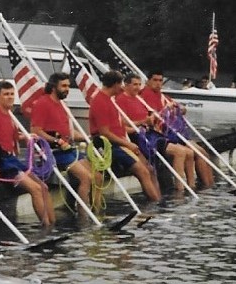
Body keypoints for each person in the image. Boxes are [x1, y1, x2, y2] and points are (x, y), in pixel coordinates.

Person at [0, 79, 57, 229]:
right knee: (35, 189)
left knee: (43, 187)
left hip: (11, 159)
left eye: (11, 94)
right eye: (5, 94)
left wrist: (26, 136)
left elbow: (10, 136)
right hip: (0, 161)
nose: (10, 97)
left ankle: (53, 225)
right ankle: (46, 228)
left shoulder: (9, 115)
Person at [86, 68, 160, 203]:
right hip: (108, 145)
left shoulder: (109, 100)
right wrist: (128, 144)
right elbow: (105, 133)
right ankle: (154, 203)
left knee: (149, 169)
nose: (121, 87)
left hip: (121, 141)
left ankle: (157, 200)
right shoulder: (100, 102)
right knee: (143, 172)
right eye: (120, 84)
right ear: (115, 84)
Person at [23, 69, 91, 207]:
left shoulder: (62, 105)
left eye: (68, 86)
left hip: (69, 150)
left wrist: (87, 137)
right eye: (64, 86)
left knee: (97, 176)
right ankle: (85, 216)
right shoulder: (42, 103)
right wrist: (56, 140)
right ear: (54, 87)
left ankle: (96, 209)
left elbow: (70, 133)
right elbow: (36, 131)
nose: (67, 89)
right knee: (86, 177)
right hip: (54, 153)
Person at [123, 71, 198, 195]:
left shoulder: (138, 99)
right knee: (180, 152)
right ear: (126, 85)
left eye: (138, 84)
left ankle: (191, 186)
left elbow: (153, 118)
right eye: (134, 85)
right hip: (140, 136)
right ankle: (179, 191)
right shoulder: (122, 100)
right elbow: (124, 124)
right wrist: (145, 122)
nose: (137, 87)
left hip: (152, 133)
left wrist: (163, 115)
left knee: (189, 152)